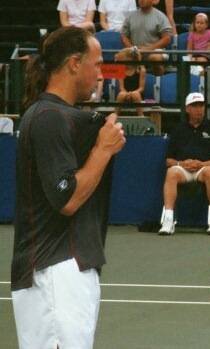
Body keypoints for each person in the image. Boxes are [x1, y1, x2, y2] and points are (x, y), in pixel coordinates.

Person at [11, 27, 126, 349]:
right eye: (97, 64)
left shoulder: (53, 115)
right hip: (55, 273)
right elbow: (69, 199)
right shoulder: (48, 117)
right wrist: (103, 150)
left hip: (65, 270)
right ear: (75, 63)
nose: (100, 74)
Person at [159, 92, 210, 235]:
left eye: (201, 105)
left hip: (206, 168)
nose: (199, 109)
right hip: (185, 169)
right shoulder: (178, 130)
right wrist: (182, 164)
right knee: (171, 172)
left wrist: (202, 164)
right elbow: (169, 160)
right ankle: (168, 220)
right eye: (194, 106)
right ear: (187, 109)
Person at [121, 0, 173, 76]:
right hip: (134, 51)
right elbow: (124, 36)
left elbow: (167, 38)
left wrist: (148, 49)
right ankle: (125, 86)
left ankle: (159, 82)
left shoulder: (160, 16)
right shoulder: (130, 16)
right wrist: (132, 48)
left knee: (155, 58)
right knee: (119, 57)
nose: (141, 0)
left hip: (154, 51)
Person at [115, 47, 146, 116]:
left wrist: (133, 93)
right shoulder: (121, 70)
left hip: (138, 96)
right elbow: (121, 87)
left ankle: (141, 116)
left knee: (136, 95)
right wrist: (126, 93)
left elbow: (141, 88)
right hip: (125, 95)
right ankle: (115, 115)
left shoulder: (141, 70)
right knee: (121, 94)